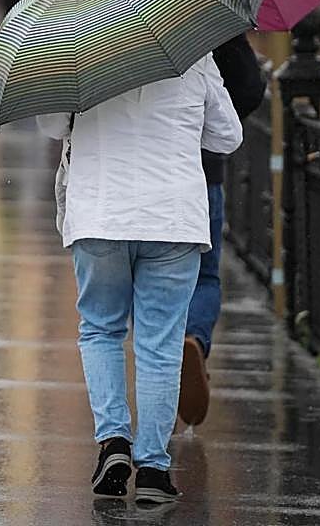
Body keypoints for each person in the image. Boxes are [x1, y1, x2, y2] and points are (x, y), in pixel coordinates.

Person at [38, 54, 242, 504]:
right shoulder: (192, 53)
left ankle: (113, 442)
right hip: (172, 218)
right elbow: (228, 137)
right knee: (160, 344)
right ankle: (152, 467)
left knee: (101, 330)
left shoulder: (75, 46)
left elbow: (52, 126)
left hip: (100, 212)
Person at [179, 33, 266, 426]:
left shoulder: (117, 10)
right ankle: (194, 338)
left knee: (146, 278)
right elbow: (249, 88)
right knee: (204, 276)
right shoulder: (209, 17)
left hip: (137, 175)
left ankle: (160, 372)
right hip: (202, 170)